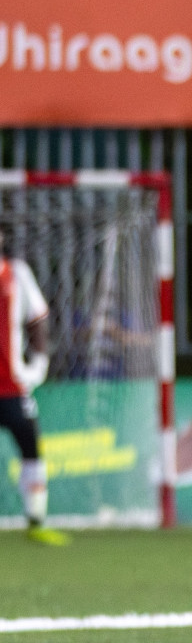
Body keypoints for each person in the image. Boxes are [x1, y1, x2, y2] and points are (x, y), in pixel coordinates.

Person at [0, 232, 61, 544]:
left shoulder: (17, 274)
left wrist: (38, 364)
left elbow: (37, 319)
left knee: (31, 445)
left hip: (11, 386)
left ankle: (36, 520)